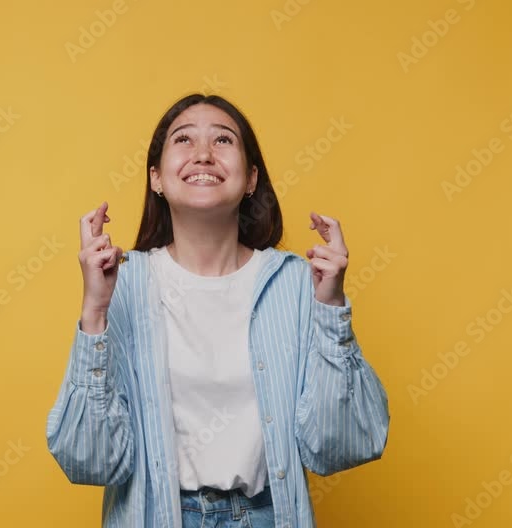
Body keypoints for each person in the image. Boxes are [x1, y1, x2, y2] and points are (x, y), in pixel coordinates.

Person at [46, 93, 390, 528]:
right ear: (156, 178)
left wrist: (331, 309)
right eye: (184, 140)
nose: (204, 154)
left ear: (251, 179)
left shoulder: (298, 283)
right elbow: (88, 460)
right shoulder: (122, 283)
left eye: (223, 140)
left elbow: (341, 446)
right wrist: (95, 310)